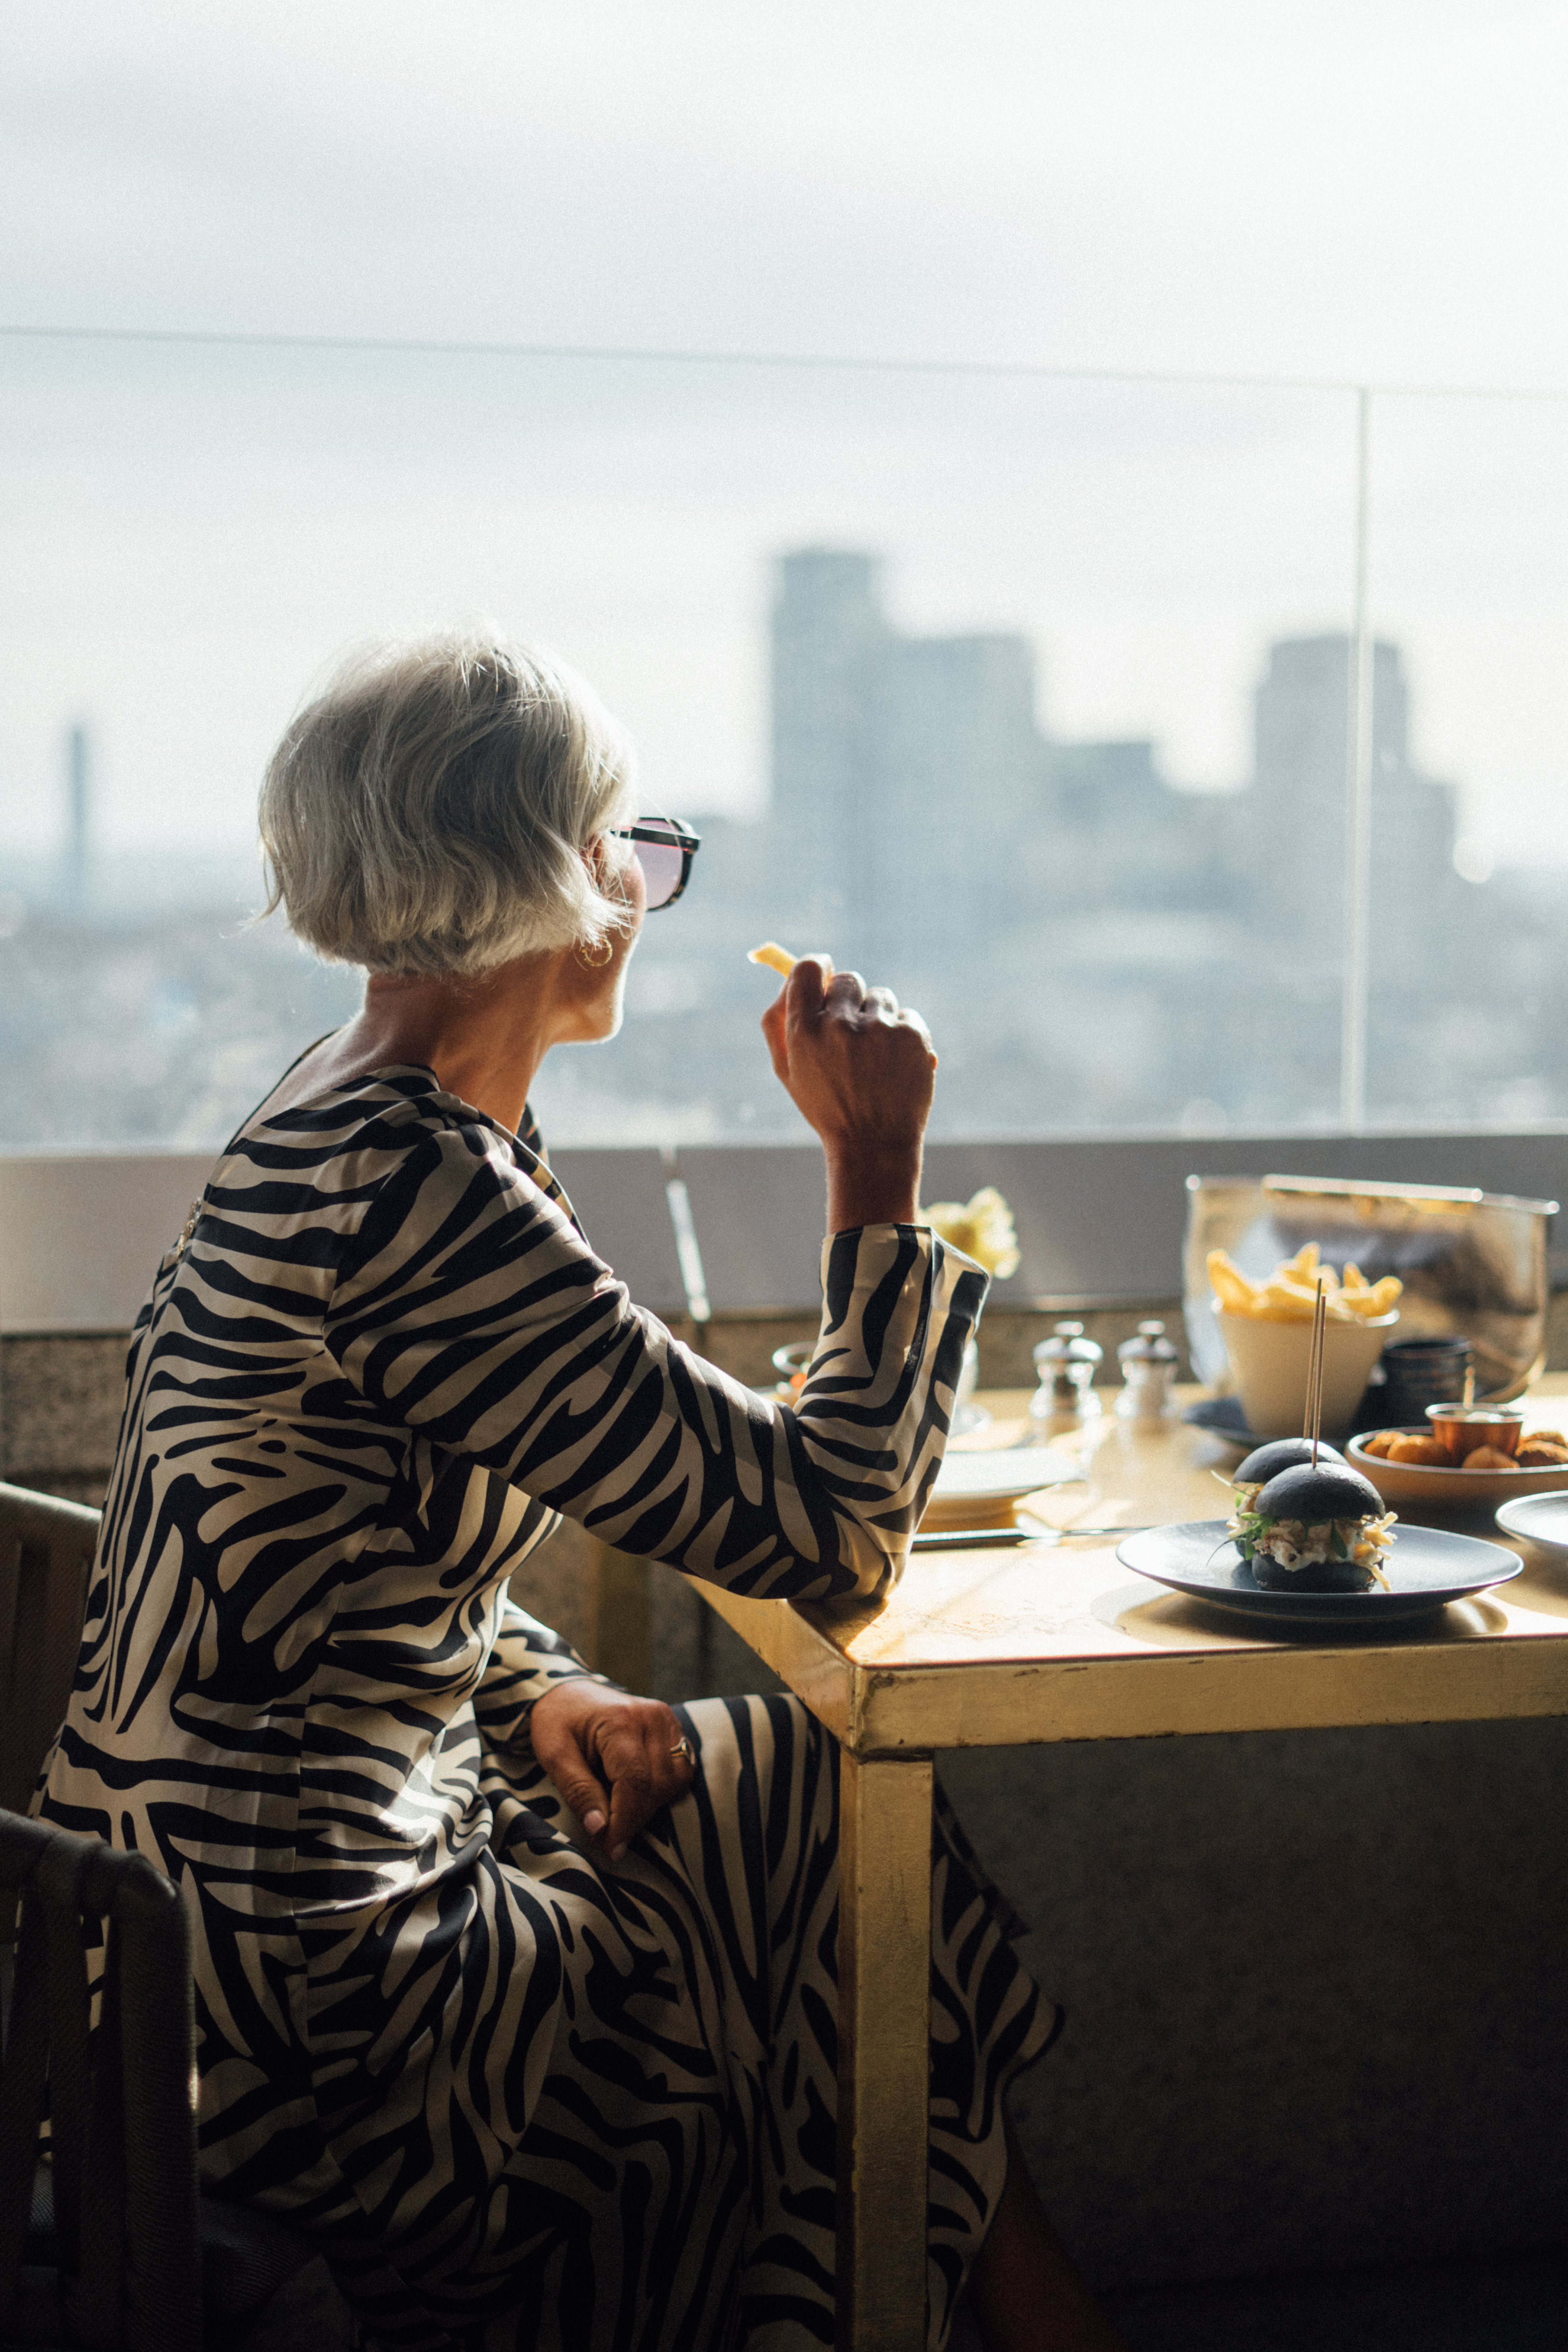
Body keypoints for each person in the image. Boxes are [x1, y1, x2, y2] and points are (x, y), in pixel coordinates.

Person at [38, 633, 1126, 2352]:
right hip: (302, 2034)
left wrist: (540, 1688)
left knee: (788, 1815)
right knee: (825, 1849)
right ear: (546, 874)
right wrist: (878, 1165)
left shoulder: (326, 1115)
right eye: (630, 843)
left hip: (156, 1955)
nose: (642, 888)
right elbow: (831, 1541)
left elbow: (322, 1547)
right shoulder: (423, 1192)